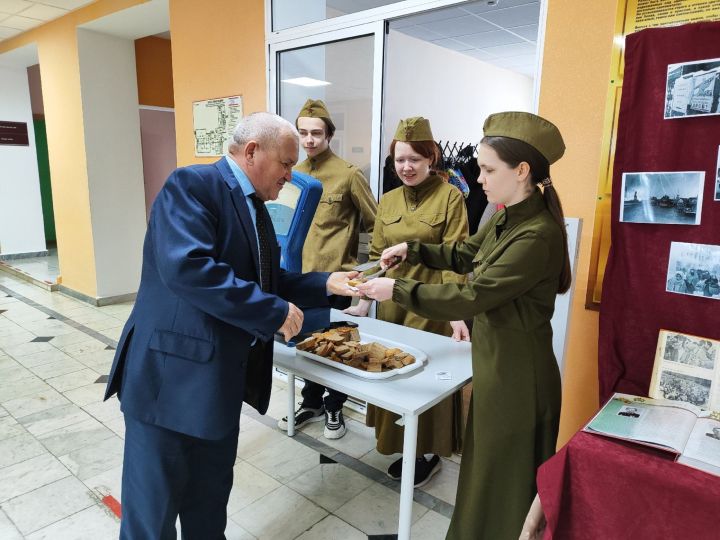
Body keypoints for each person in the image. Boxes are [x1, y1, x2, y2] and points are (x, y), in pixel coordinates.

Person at [103, 112, 359, 539]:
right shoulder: (192, 186)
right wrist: (272, 311)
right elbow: (188, 268)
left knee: (209, 507)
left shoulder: (256, 207)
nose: (290, 175)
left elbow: (265, 279)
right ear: (252, 151)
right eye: (285, 163)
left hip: (217, 386)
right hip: (169, 384)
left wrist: (330, 284)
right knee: (153, 517)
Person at [357, 111, 570, 539]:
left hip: (518, 376)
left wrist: (395, 290)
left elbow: (474, 295)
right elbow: (463, 254)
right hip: (496, 364)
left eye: (489, 169)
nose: (479, 179)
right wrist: (411, 250)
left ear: (522, 171)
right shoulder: (506, 217)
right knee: (484, 472)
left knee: (503, 480)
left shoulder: (536, 234)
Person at [346, 116, 470, 487]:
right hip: (392, 305)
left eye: (415, 159)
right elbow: (379, 255)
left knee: (424, 377)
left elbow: (457, 257)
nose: (407, 167)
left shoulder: (451, 197)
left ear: (431, 158)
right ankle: (401, 445)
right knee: (391, 373)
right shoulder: (388, 200)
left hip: (431, 304)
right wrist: (362, 300)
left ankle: (426, 452)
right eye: (400, 159)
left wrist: (456, 314)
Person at [277, 99, 378, 440]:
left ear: (330, 135)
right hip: (300, 279)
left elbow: (376, 228)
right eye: (303, 133)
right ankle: (312, 402)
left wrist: (365, 284)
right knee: (307, 345)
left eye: (316, 133)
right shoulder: (292, 175)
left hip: (337, 281)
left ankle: (335, 405)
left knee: (337, 350)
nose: (309, 140)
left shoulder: (349, 175)